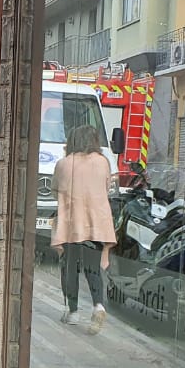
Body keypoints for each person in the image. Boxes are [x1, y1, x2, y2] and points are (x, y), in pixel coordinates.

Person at [51, 125, 115, 334]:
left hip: (72, 224)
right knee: (92, 268)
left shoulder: (64, 164)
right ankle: (98, 306)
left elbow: (55, 191)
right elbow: (106, 188)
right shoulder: (103, 162)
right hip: (96, 224)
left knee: (70, 267)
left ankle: (73, 311)